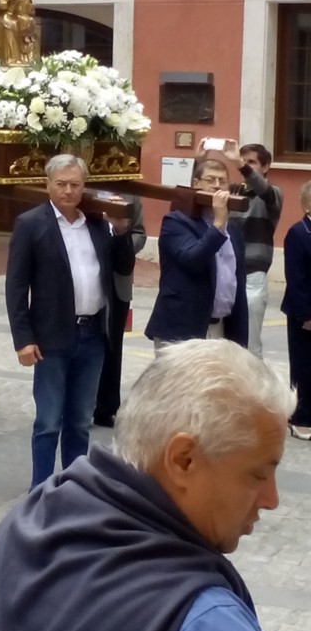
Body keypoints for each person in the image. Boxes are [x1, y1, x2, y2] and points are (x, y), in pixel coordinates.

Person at [0, 338, 297, 631]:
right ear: (183, 460)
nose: (271, 499)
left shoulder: (21, 531)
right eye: (258, 473)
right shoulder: (205, 629)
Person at [5, 154, 134, 488]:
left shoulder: (96, 223)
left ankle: (75, 488)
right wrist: (23, 338)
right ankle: (41, 489)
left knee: (79, 421)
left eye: (75, 184)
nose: (68, 191)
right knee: (48, 421)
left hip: (93, 334)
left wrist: (120, 232)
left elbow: (123, 266)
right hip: (50, 336)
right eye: (61, 184)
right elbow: (16, 286)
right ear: (48, 185)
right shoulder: (31, 224)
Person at [145, 158, 248, 348]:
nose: (217, 186)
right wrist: (217, 225)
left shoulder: (233, 230)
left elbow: (237, 282)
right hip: (182, 330)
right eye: (210, 180)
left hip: (222, 329)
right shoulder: (176, 222)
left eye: (222, 181)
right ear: (196, 184)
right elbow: (193, 259)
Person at [223, 140, 283, 358]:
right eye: (244, 161)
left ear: (265, 167)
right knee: (223, 342)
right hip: (228, 274)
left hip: (252, 277)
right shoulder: (231, 192)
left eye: (252, 162)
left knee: (249, 344)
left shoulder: (273, 195)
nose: (246, 166)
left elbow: (261, 188)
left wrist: (239, 164)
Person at [93, 192, 146, 427]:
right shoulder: (81, 187)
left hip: (117, 280)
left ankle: (107, 407)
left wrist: (120, 243)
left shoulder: (130, 195)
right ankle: (80, 403)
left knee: (112, 345)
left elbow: (139, 234)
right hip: (87, 275)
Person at [280, 180, 311, 440]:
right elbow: (296, 278)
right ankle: (300, 416)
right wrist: (306, 315)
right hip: (305, 313)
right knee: (304, 365)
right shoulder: (298, 233)